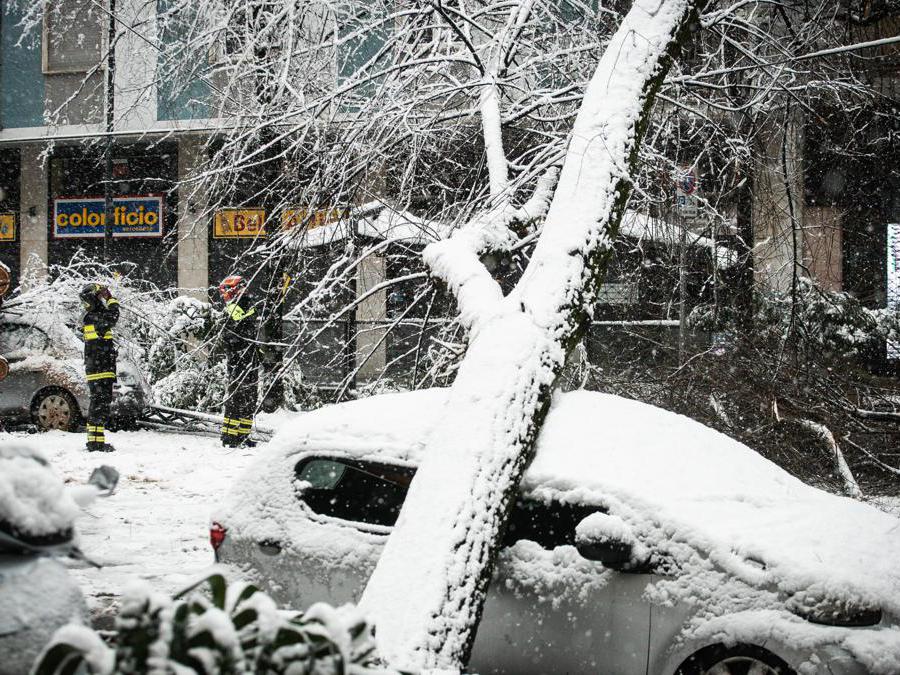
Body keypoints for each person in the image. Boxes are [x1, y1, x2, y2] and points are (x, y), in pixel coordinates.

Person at [218, 275, 259, 448]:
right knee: (238, 397)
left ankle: (242, 435)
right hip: (239, 358)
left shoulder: (242, 305)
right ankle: (230, 436)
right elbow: (234, 330)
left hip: (247, 356)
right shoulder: (234, 307)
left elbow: (243, 326)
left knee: (248, 397)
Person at [80, 283, 119, 452]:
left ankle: (96, 441)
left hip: (101, 368)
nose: (101, 299)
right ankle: (94, 443)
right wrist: (111, 299)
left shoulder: (94, 315)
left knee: (101, 404)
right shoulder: (93, 316)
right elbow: (113, 317)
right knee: (99, 404)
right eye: (99, 296)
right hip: (99, 369)